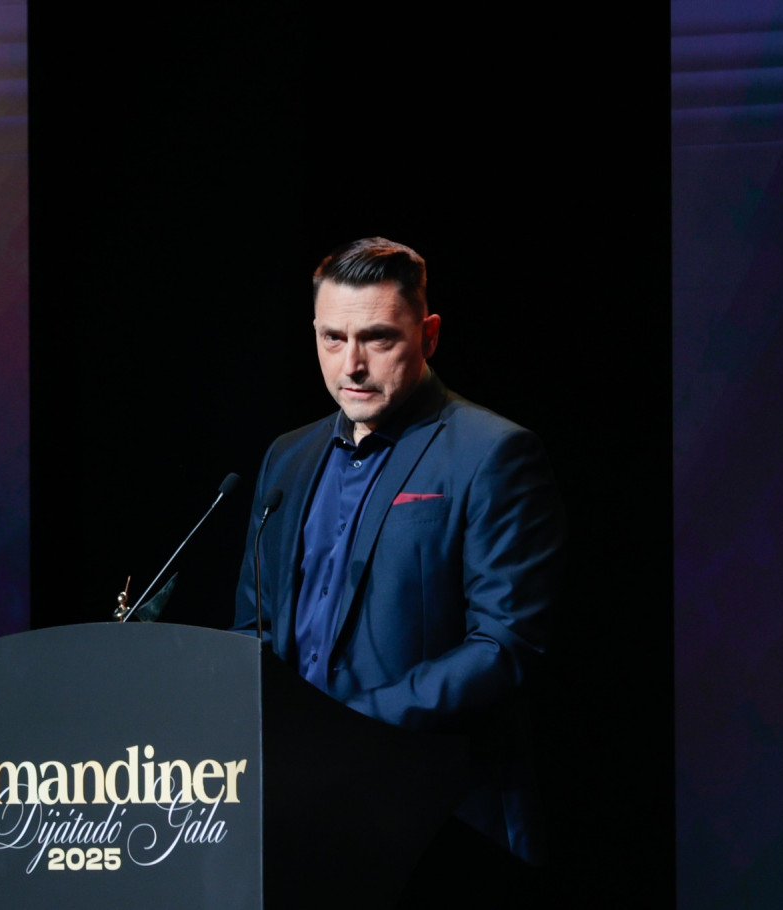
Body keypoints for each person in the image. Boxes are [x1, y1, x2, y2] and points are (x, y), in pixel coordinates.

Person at [233, 237, 566, 906]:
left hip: (440, 828)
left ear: (429, 335)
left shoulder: (493, 453)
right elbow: (254, 625)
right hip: (301, 818)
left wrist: (349, 730)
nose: (351, 365)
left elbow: (506, 644)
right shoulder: (287, 457)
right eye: (332, 338)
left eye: (378, 338)